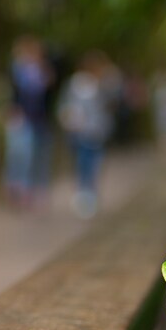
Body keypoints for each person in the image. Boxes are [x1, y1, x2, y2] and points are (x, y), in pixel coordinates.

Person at [57, 51, 118, 218]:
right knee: (83, 163)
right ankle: (84, 195)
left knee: (95, 164)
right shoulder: (74, 85)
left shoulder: (103, 85)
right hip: (80, 131)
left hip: (97, 132)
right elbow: (64, 106)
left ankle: (90, 194)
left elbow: (114, 99)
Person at [5, 35, 57, 208]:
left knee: (40, 155)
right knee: (22, 154)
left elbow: (49, 95)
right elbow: (14, 95)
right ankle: (20, 189)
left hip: (41, 119)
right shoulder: (17, 71)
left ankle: (36, 190)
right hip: (23, 118)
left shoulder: (45, 71)